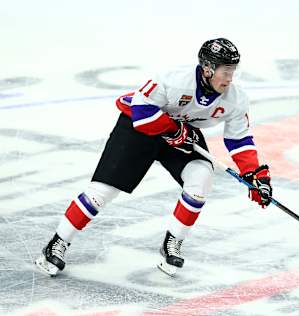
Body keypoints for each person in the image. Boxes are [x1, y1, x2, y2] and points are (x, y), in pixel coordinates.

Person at [35, 38, 273, 277]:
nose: (230, 78)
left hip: (181, 131)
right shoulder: (174, 79)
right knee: (102, 192)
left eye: (233, 71)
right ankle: (57, 243)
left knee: (201, 177)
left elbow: (239, 140)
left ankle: (172, 243)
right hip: (140, 129)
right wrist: (174, 130)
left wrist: (254, 175)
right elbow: (141, 112)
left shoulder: (236, 99)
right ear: (208, 68)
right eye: (226, 71)